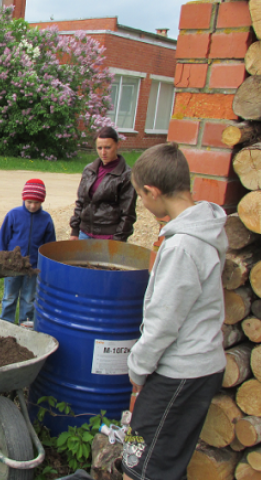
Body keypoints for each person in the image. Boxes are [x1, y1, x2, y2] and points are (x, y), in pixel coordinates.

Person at [122, 143, 226, 480]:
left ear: (152, 192)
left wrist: (137, 367)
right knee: (165, 464)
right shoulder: (205, 229)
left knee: (141, 466)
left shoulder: (183, 246)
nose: (142, 200)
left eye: (140, 194)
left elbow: (164, 321)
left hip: (180, 372)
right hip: (198, 368)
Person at [0, 179, 56, 325]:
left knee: (29, 298)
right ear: (24, 198)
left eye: (37, 203)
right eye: (29, 201)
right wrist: (1, 259)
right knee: (9, 296)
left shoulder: (46, 219)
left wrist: (46, 266)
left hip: (33, 267)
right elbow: (2, 239)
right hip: (12, 266)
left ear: (42, 201)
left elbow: (49, 246)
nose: (33, 206)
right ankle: (6, 323)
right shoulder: (13, 215)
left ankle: (25, 324)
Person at [69, 126, 137, 241]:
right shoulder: (89, 170)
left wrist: (118, 240)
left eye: (108, 147)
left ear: (118, 145)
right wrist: (75, 231)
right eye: (99, 148)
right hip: (85, 233)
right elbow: (81, 202)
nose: (103, 152)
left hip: (109, 237)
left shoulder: (126, 175)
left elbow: (128, 214)